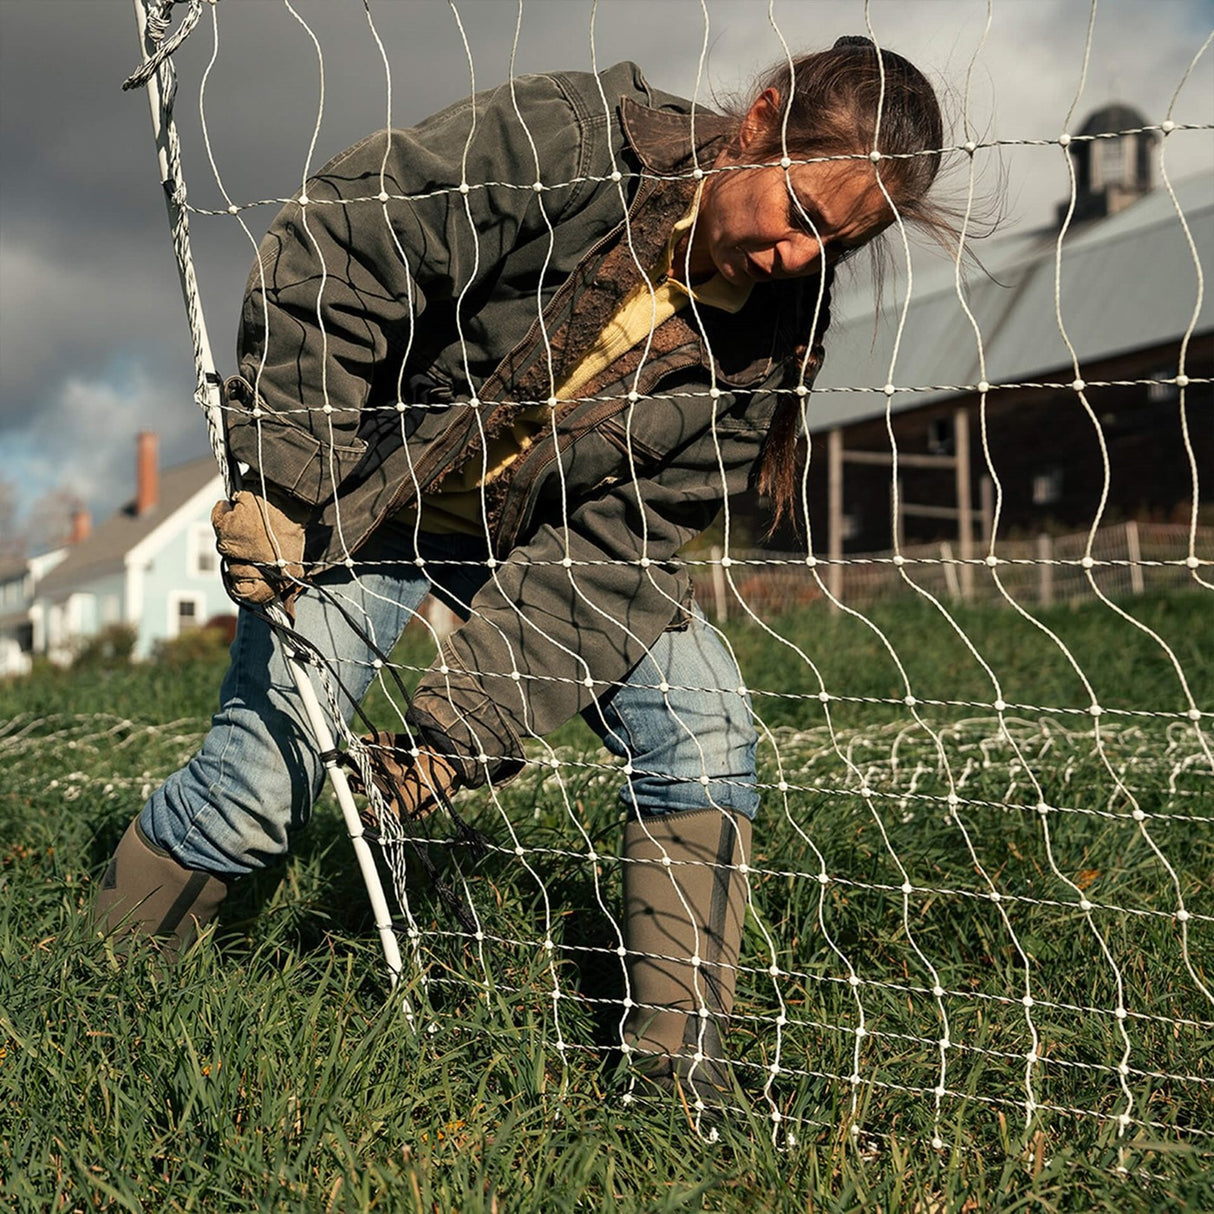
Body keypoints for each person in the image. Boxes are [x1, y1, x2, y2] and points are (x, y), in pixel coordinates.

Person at [94, 37, 950, 1108]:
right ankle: (97, 989)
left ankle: (675, 1076)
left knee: (704, 719)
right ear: (758, 119)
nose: (796, 258)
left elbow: (615, 553)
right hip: (367, 497)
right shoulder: (575, 138)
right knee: (261, 789)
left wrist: (454, 734)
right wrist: (281, 479)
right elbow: (349, 241)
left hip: (532, 537)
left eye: (834, 245)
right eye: (801, 214)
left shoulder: (773, 344)